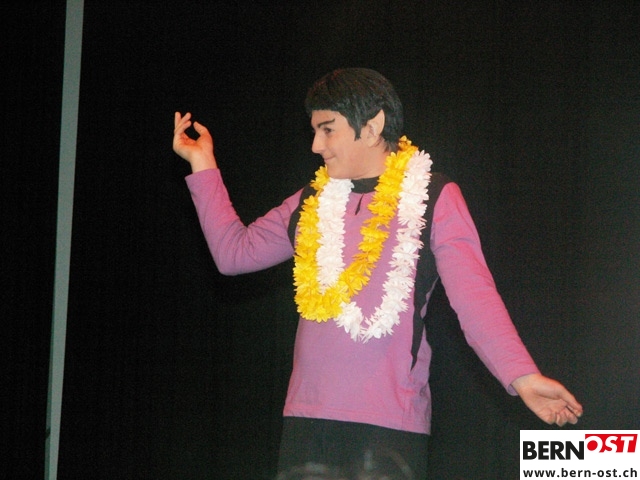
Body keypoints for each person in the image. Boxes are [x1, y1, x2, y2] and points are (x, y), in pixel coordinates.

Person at [172, 68, 583, 479]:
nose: (316, 145)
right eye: (314, 131)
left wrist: (522, 376)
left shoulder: (433, 196)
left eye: (327, 130)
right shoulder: (310, 200)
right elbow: (233, 255)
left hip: (389, 425)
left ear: (372, 127)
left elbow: (475, 298)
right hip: (306, 418)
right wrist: (201, 162)